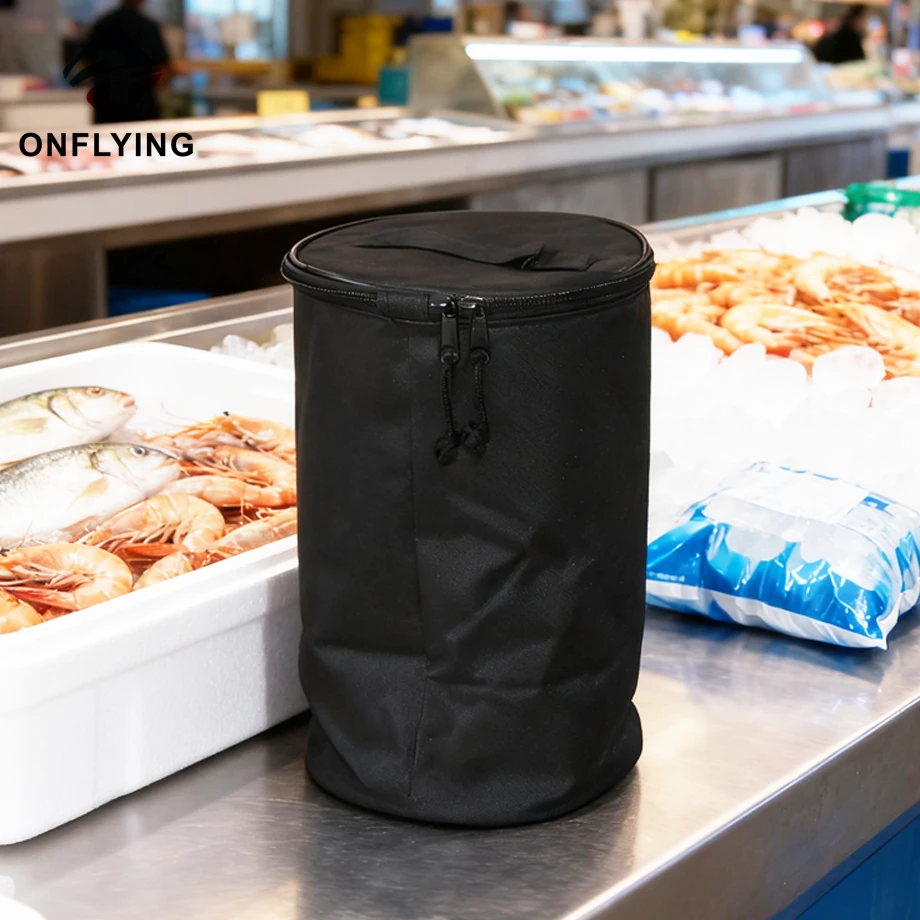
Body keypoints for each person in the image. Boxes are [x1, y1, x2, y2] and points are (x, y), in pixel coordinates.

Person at [69, 0, 170, 124]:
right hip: (141, 105)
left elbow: (83, 62)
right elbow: (163, 68)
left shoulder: (103, 24)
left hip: (106, 105)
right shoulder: (148, 27)